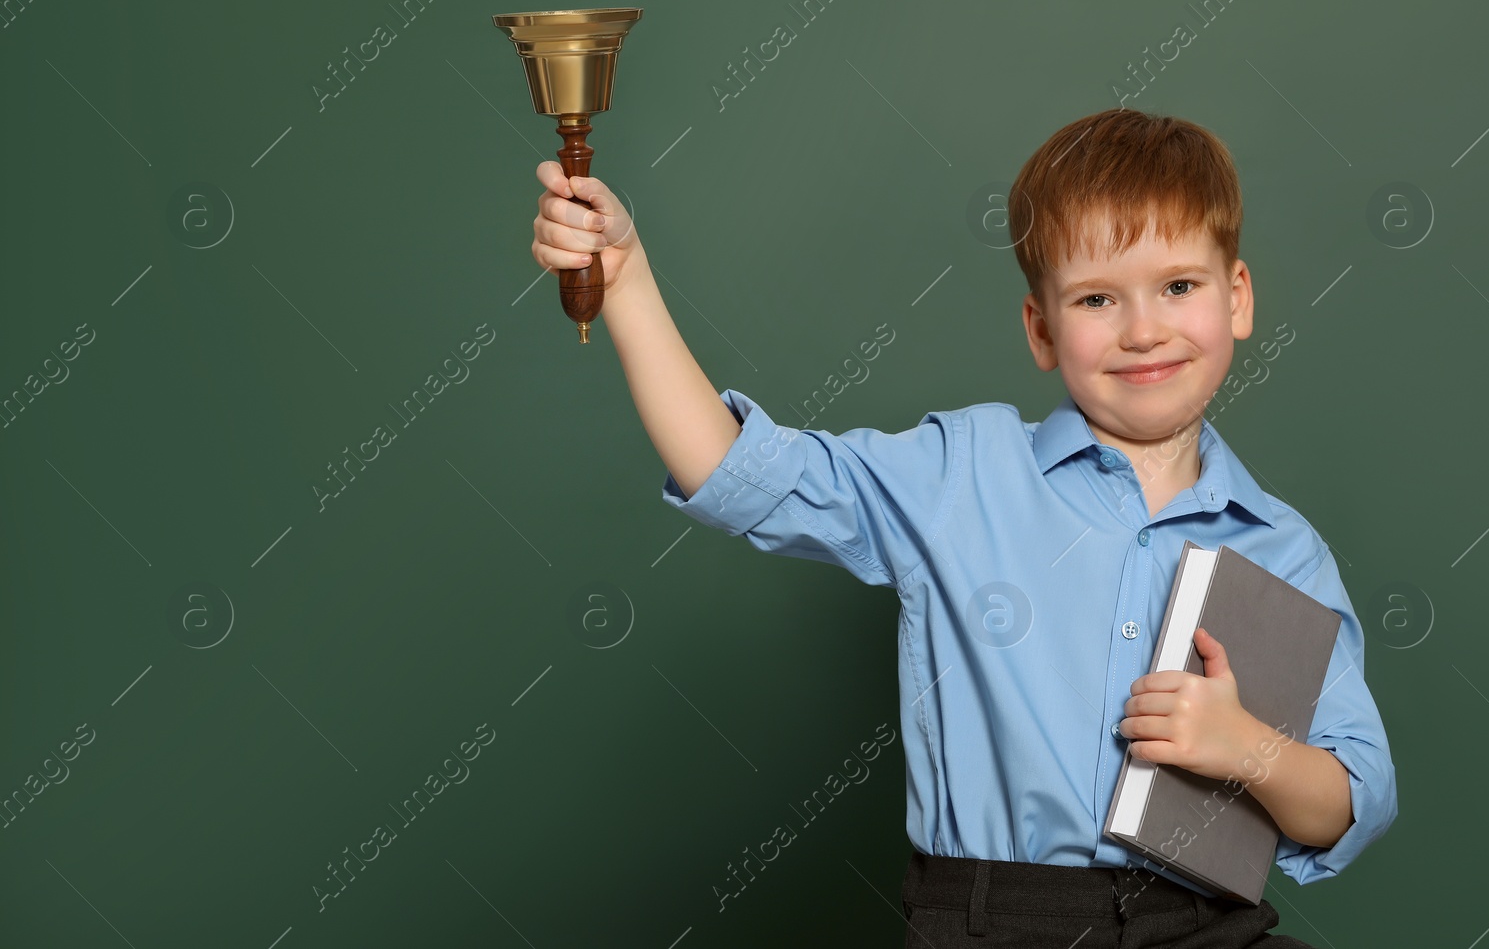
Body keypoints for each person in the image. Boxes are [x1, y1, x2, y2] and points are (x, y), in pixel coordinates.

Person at [529, 107, 1398, 948]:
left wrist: (1246, 747)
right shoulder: (962, 471)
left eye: (1179, 285)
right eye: (1097, 297)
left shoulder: (1283, 546)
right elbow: (732, 468)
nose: (1144, 329)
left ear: (1237, 298)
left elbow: (1351, 801)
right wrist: (628, 281)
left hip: (1206, 925)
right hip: (1001, 921)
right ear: (1041, 329)